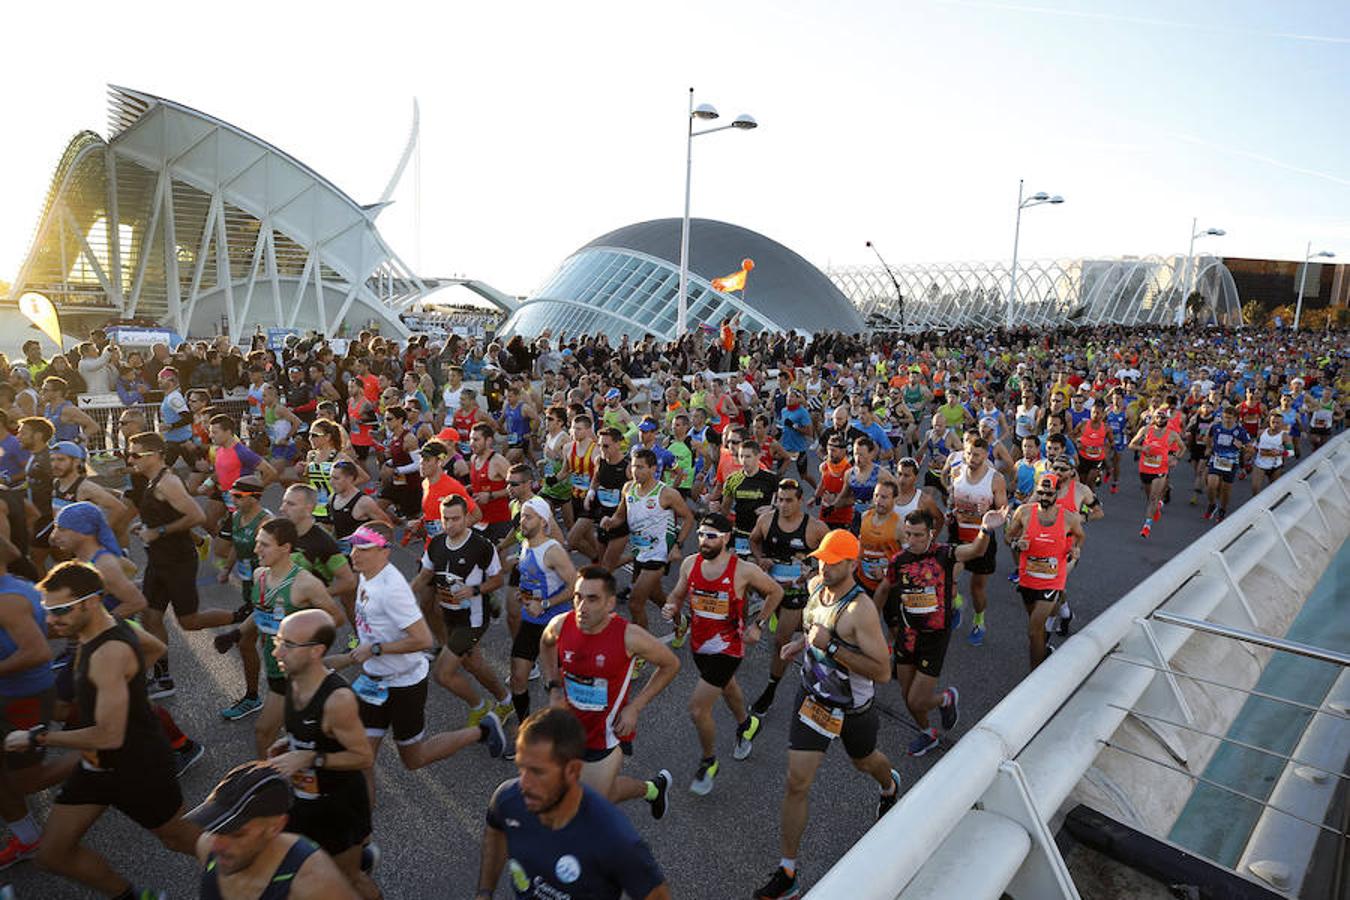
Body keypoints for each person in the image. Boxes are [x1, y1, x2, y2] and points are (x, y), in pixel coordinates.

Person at [9, 561, 199, 898]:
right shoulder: (104, 627)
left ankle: (266, 874)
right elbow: (156, 648)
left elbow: (109, 735)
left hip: (138, 766)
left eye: (62, 610)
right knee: (53, 854)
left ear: (91, 601)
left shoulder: (108, 653)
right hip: (97, 764)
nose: (51, 620)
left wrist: (38, 737)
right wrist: (132, 687)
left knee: (179, 839)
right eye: (48, 611)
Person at [755, 529, 900, 900]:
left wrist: (831, 646)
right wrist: (799, 643)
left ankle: (890, 786)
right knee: (796, 782)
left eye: (833, 561)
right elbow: (814, 631)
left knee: (865, 762)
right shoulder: (817, 585)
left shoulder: (860, 610)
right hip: (813, 699)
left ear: (852, 564)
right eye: (821, 557)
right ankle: (788, 872)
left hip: (853, 709)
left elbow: (882, 672)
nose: (823, 565)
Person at [327, 524, 505, 796]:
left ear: (384, 552)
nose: (354, 554)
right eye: (353, 547)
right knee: (362, 758)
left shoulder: (391, 589)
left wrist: (375, 650)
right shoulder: (366, 575)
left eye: (363, 549)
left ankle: (482, 730)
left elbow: (422, 640)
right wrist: (352, 656)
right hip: (373, 681)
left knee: (414, 758)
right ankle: (361, 834)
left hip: (404, 684)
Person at [478, 708, 670, 900]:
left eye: (538, 772)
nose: (525, 784)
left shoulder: (614, 839)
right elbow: (495, 830)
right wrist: (485, 892)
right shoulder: (508, 801)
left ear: (573, 770)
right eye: (522, 767)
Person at [538, 565, 677, 815]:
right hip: (567, 728)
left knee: (592, 804)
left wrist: (635, 707)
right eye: (578, 597)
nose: (582, 607)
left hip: (605, 734)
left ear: (610, 603)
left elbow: (670, 664)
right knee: (572, 796)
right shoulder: (560, 624)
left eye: (592, 599)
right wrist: (554, 687)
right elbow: (546, 644)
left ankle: (650, 790)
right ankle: (654, 789)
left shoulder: (629, 636)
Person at [664, 513, 784, 795]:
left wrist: (758, 625)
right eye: (701, 535)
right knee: (727, 686)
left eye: (711, 536)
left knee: (697, 709)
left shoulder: (743, 570)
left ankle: (709, 762)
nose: (704, 541)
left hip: (728, 647)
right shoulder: (691, 564)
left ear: (727, 537)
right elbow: (678, 595)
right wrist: (671, 607)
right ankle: (746, 723)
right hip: (700, 646)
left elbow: (775, 591)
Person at [268, 609, 380, 898]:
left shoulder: (338, 700)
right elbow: (312, 734)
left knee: (348, 881)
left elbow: (363, 757)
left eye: (288, 644)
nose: (277, 650)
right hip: (302, 801)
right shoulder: (294, 676)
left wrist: (310, 757)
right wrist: (290, 743)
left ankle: (357, 861)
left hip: (337, 808)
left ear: (316, 651)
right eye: (278, 639)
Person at [876, 507, 998, 755]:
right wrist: (868, 620)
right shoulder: (899, 560)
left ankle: (946, 699)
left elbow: (976, 550)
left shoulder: (945, 553)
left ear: (931, 533)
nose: (912, 541)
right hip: (908, 634)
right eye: (908, 534)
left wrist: (985, 529)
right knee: (906, 693)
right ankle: (927, 733)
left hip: (935, 635)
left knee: (917, 699)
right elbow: (883, 589)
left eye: (918, 535)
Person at [245, 518, 348, 759]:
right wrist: (238, 633)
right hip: (273, 663)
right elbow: (261, 611)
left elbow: (336, 618)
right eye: (257, 543)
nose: (256, 549)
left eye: (264, 545)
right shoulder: (260, 574)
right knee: (298, 732)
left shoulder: (306, 584)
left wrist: (305, 643)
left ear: (285, 548)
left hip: (293, 671)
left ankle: (268, 784)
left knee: (263, 731)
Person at [410, 494, 514, 727]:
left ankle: (480, 707)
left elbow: (498, 580)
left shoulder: (481, 546)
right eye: (446, 519)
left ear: (467, 518)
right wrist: (403, 596)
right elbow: (425, 575)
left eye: (455, 519)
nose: (449, 524)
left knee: (442, 673)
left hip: (473, 618)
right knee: (473, 663)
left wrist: (474, 590)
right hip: (449, 615)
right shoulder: (437, 543)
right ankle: (506, 700)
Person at [189, 761, 358, 899]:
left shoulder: (313, 884)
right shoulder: (208, 846)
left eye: (237, 834)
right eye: (216, 828)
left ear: (275, 827)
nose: (217, 845)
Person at [127, 430, 214, 697]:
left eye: (135, 454)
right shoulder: (152, 481)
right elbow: (165, 514)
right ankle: (163, 678)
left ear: (154, 455)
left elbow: (197, 515)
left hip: (177, 560)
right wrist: (147, 526)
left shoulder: (168, 483)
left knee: (188, 621)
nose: (131, 460)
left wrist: (159, 531)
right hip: (158, 560)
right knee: (150, 616)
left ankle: (242, 618)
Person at [747, 478, 828, 716]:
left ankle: (770, 690)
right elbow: (754, 540)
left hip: (796, 592)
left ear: (800, 501)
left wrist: (813, 573)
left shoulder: (815, 528)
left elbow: (831, 557)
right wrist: (760, 557)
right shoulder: (765, 520)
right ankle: (780, 618)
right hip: (771, 589)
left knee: (780, 640)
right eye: (780, 500)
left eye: (789, 500)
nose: (783, 505)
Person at [0, 535, 57, 868]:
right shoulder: (18, 584)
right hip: (13, 695)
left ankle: (106, 757)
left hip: (24, 698)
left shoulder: (7, 599)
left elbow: (38, 651)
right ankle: (27, 836)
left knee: (26, 780)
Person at [508, 498, 579, 727]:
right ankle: (525, 727)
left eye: (528, 517)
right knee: (518, 677)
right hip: (531, 620)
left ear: (543, 520)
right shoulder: (527, 545)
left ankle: (565, 728)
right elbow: (534, 579)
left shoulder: (553, 550)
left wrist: (545, 604)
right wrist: (524, 594)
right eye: (522, 517)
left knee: (558, 683)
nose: (523, 521)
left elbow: (575, 586)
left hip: (556, 623)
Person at [608, 448, 694, 632]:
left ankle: (642, 650)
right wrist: (610, 522)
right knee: (656, 596)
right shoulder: (628, 488)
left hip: (659, 554)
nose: (635, 472)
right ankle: (681, 620)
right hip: (639, 552)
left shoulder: (667, 493)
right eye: (633, 467)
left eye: (641, 467)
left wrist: (677, 545)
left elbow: (688, 518)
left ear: (653, 469)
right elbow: (620, 515)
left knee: (635, 603)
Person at [1004, 474, 1085, 668]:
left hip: (1052, 581)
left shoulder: (1068, 517)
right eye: (1040, 492)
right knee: (1037, 630)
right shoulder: (1023, 512)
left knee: (1033, 630)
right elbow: (1008, 537)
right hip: (1027, 579)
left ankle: (1035, 675)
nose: (1044, 497)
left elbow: (1080, 536)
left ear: (1057, 493)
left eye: (1049, 493)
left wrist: (1074, 550)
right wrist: (1016, 543)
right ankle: (1045, 651)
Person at [946, 437, 1008, 645]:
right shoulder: (957, 473)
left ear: (986, 455)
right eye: (969, 453)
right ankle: (956, 604)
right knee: (948, 580)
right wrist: (950, 512)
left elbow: (1003, 511)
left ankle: (979, 621)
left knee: (977, 588)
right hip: (959, 535)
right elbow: (951, 498)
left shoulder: (995, 479)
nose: (972, 458)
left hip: (982, 540)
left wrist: (989, 513)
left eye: (977, 455)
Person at [1127, 408, 1187, 538]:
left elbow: (1183, 448)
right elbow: (1131, 445)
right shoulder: (1145, 430)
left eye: (1163, 418)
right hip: (1145, 468)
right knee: (1150, 497)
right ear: (1154, 418)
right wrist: (1142, 448)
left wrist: (1176, 458)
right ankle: (1156, 508)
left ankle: (1147, 526)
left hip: (1161, 469)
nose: (1160, 420)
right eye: (1157, 417)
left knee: (1153, 498)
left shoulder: (1172, 434)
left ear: (1167, 419)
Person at [1204, 406, 1251, 521]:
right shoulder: (1216, 427)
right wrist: (1209, 448)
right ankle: (1212, 504)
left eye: (1230, 418)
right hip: (1216, 460)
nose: (1227, 420)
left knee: (1226, 490)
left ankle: (1222, 509)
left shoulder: (1241, 431)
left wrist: (1242, 446)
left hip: (1230, 463)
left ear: (1236, 418)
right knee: (1211, 485)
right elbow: (1208, 437)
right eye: (1225, 417)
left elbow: (1251, 449)